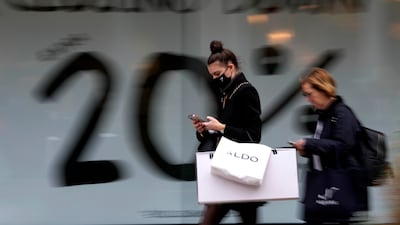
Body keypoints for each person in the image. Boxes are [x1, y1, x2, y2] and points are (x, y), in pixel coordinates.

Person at [191, 40, 262, 225]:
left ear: (230, 67)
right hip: (228, 171)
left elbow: (253, 136)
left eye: (217, 74)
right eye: (212, 75)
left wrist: (221, 128)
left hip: (240, 171)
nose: (215, 79)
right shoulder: (227, 93)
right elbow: (226, 131)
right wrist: (205, 130)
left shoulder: (246, 91)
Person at [291, 67, 368, 224]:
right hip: (323, 185)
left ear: (323, 89)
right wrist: (307, 150)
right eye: (305, 95)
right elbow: (326, 147)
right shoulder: (324, 116)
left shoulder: (342, 113)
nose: (308, 99)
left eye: (309, 94)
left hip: (341, 187)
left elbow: (343, 145)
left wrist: (309, 143)